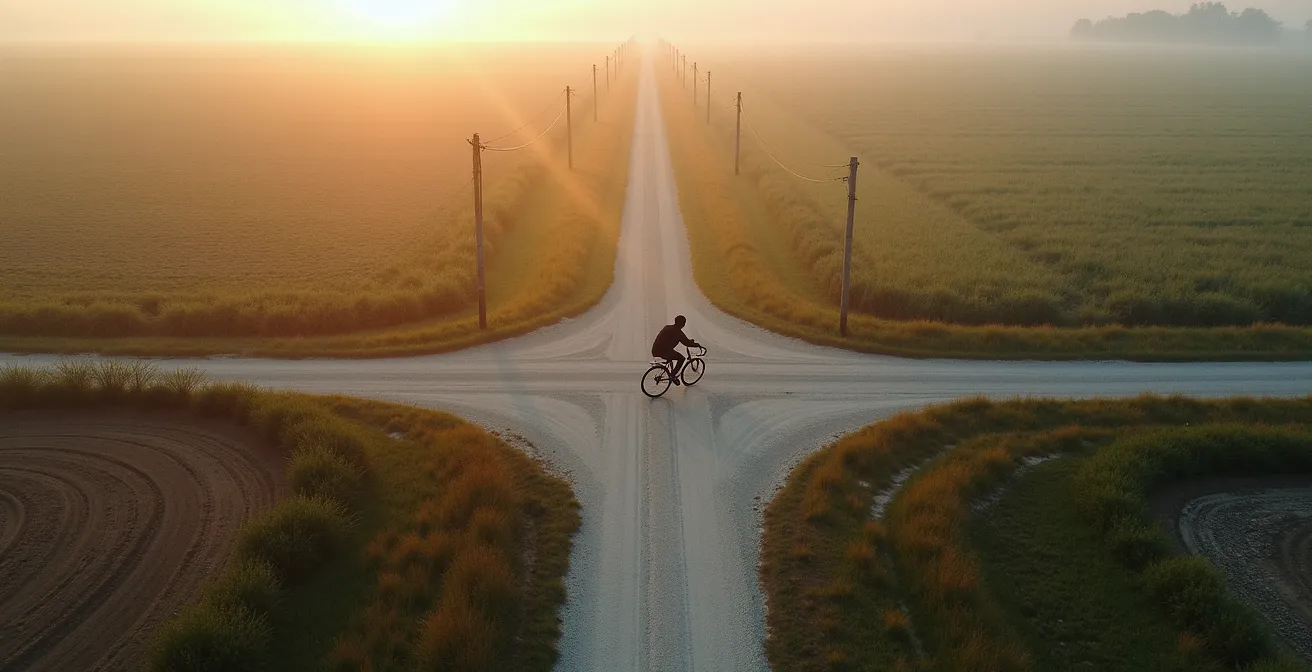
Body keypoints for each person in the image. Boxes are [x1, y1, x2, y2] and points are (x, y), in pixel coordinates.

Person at [651, 315, 700, 386]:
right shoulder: (679, 333)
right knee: (681, 358)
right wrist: (697, 345)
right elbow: (686, 343)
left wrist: (690, 341)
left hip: (655, 349)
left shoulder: (667, 327)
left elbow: (685, 340)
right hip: (664, 352)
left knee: (671, 355)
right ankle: (672, 376)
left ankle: (671, 374)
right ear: (683, 324)